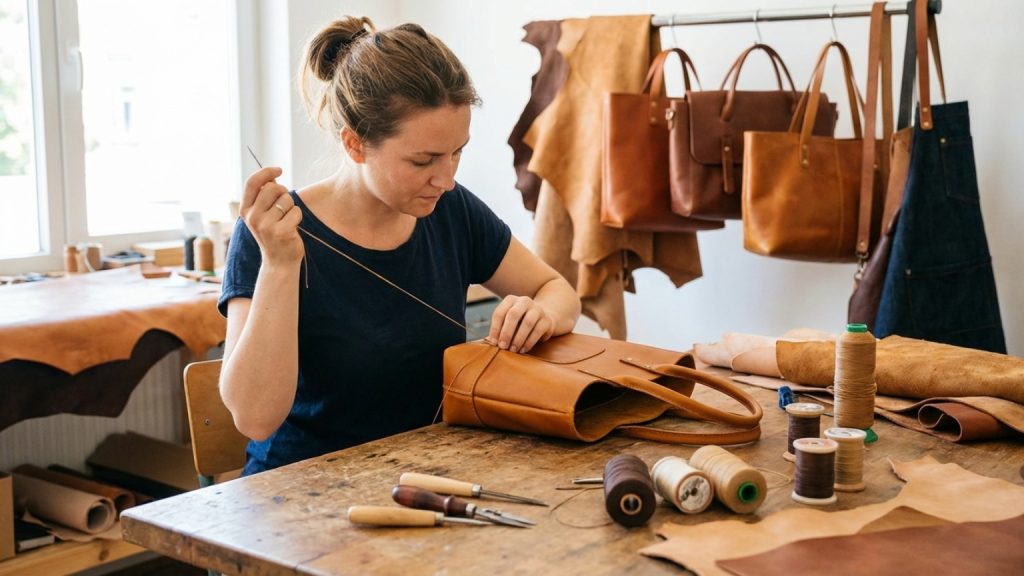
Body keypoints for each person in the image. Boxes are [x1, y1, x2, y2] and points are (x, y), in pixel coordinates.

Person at [217, 16, 581, 475]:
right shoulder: (272, 236)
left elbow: (559, 291)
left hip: (423, 476)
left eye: (457, 152)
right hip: (300, 495)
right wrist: (281, 265)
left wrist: (542, 314)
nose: (446, 179)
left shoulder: (450, 210)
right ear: (354, 144)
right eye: (423, 160)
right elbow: (255, 419)